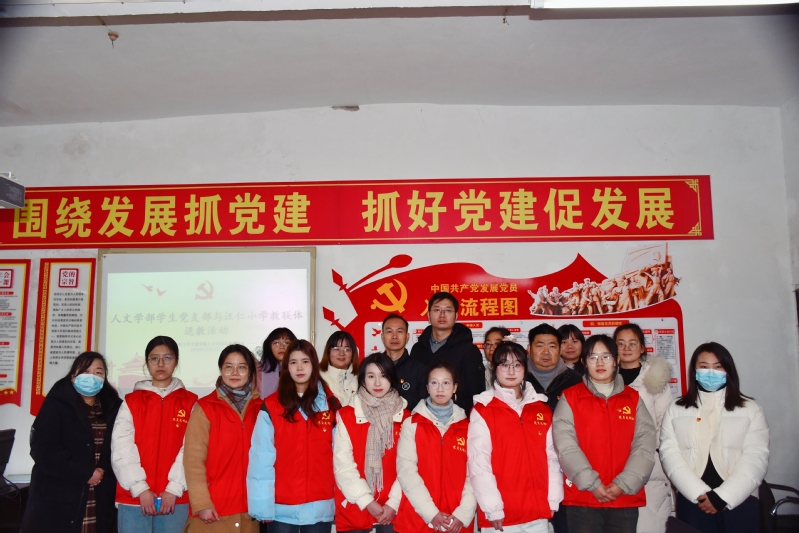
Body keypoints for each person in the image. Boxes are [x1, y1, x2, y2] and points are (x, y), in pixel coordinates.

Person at [659, 342, 769, 533]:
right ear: (694, 370)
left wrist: (723, 497)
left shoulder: (750, 409)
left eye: (718, 367)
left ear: (728, 371)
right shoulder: (676, 409)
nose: (711, 372)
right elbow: (670, 455)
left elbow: (756, 457)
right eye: (704, 366)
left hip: (739, 500)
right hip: (694, 501)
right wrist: (698, 493)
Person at [552, 334, 656, 533]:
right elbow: (566, 446)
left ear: (616, 360)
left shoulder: (632, 398)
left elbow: (645, 444)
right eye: (593, 357)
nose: (600, 363)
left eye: (606, 357)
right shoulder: (570, 398)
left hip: (624, 496)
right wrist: (592, 484)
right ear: (584, 362)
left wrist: (623, 483)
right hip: (584, 497)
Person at [21, 351, 122, 533]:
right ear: (73, 377)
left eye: (98, 372)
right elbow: (42, 450)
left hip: (98, 496)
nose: (92, 377)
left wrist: (102, 472)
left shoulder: (114, 406)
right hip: (58, 496)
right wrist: (85, 473)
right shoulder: (57, 403)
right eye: (86, 371)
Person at [468, 342, 563, 533]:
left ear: (526, 368)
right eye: (504, 364)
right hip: (501, 516)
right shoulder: (483, 410)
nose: (511, 371)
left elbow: (553, 458)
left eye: (517, 364)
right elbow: (479, 462)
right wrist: (493, 508)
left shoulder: (541, 408)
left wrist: (553, 499)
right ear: (494, 368)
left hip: (538, 510)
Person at [248, 340, 341, 533]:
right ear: (286, 367)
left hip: (320, 505)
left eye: (305, 361)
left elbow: (341, 457)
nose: (299, 368)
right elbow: (261, 458)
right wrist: (262, 505)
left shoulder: (331, 405)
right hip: (281, 507)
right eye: (293, 362)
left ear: (314, 365)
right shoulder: (271, 406)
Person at [111, 336, 198, 533]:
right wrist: (140, 488)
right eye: (154, 358)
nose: (161, 363)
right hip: (134, 497)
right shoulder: (131, 401)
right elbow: (121, 447)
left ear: (176, 361)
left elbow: (193, 448)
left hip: (174, 499)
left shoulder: (191, 402)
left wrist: (174, 488)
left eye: (167, 358)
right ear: (147, 362)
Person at [183, 344, 261, 533]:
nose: (235, 372)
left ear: (250, 372)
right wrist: (201, 503)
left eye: (242, 367)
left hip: (249, 510)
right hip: (213, 511)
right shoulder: (205, 407)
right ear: (221, 369)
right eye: (228, 367)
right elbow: (193, 461)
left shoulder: (261, 408)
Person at [395, 361, 476, 533]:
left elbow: (475, 474)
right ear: (427, 387)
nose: (440, 389)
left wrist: (463, 514)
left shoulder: (469, 426)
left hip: (456, 520)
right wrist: (431, 513)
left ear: (455, 387)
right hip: (418, 518)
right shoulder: (412, 424)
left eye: (446, 383)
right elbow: (406, 471)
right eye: (434, 383)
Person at [333, 353, 410, 533]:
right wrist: (366, 500)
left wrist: (393, 503)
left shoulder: (406, 417)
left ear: (392, 379)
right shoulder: (346, 415)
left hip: (394, 508)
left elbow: (408, 466)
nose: (377, 383)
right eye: (371, 376)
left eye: (383, 376)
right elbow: (342, 464)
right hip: (355, 506)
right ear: (362, 380)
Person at [613, 324, 673, 533]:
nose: (626, 348)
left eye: (632, 343)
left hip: (649, 462)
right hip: (614, 463)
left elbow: (665, 422)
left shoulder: (655, 379)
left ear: (642, 348)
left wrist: (645, 448)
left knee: (649, 524)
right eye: (620, 344)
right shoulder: (605, 377)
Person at [409, 292, 485, 414]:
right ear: (428, 315)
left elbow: (475, 393)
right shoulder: (418, 349)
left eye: (448, 310)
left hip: (457, 419)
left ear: (456, 316)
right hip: (422, 417)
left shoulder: (469, 351)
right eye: (437, 310)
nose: (442, 315)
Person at [525, 324, 582, 412]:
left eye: (552, 346)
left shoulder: (575, 380)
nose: (546, 352)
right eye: (540, 346)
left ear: (560, 350)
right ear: (529, 349)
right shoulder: (517, 378)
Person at [380, 314, 427, 409]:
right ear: (382, 336)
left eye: (399, 331)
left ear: (407, 337)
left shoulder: (420, 370)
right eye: (389, 331)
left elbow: (423, 407)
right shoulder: (373, 368)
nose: (394, 336)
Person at [319, 331, 360, 407]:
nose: (341, 353)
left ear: (353, 353)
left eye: (347, 349)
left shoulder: (361, 378)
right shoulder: (317, 378)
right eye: (336, 349)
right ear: (328, 352)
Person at [256, 327, 297, 399]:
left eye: (286, 343)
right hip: (266, 405)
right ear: (269, 346)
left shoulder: (299, 368)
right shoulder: (259, 370)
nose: (282, 347)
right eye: (277, 343)